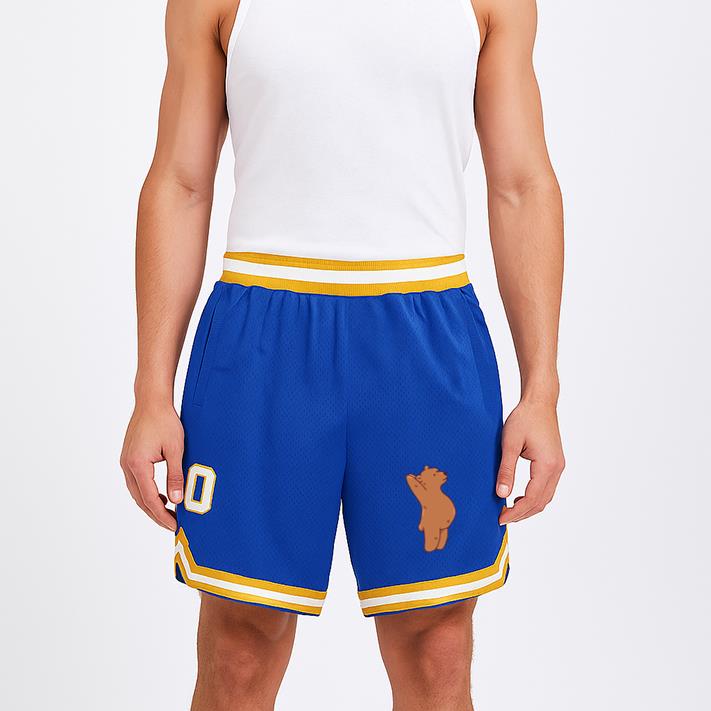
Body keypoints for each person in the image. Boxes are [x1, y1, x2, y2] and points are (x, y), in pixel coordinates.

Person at [120, 0, 565, 708]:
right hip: (263, 341)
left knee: (437, 647)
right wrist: (151, 391)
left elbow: (520, 185)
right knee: (239, 647)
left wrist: (541, 390)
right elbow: (180, 181)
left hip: (424, 338)